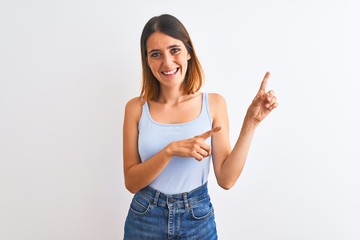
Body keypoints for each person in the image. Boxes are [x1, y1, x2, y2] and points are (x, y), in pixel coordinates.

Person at [123, 14, 278, 239]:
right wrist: (170, 150)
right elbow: (131, 182)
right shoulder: (136, 108)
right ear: (147, 60)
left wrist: (251, 122)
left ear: (188, 52)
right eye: (156, 54)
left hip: (196, 218)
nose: (167, 62)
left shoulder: (213, 103)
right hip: (145, 217)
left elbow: (226, 179)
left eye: (174, 50)